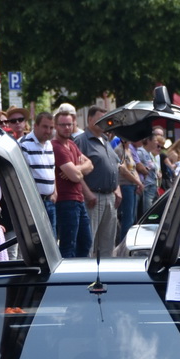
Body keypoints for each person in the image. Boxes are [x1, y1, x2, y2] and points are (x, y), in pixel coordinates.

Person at [75, 108, 122, 258]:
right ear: (89, 119)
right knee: (89, 242)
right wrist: (87, 193)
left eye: (105, 118)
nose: (103, 122)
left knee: (108, 243)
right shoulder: (81, 141)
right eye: (100, 118)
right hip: (93, 197)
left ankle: (107, 275)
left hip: (110, 197)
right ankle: (85, 276)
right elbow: (76, 172)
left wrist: (117, 188)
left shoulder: (106, 140)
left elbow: (114, 166)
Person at [51, 105, 92, 258]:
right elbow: (76, 177)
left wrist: (75, 168)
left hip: (78, 200)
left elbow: (90, 165)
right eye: (63, 125)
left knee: (86, 242)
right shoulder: (57, 147)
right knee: (68, 245)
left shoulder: (72, 145)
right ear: (56, 126)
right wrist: (78, 170)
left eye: (70, 124)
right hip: (65, 201)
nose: (67, 128)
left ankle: (80, 275)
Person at [20, 110, 57, 228]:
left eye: (51, 128)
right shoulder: (23, 144)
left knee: (51, 242)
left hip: (49, 201)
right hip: (33, 203)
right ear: (35, 126)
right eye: (45, 127)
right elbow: (20, 175)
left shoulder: (49, 144)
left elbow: (52, 169)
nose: (48, 131)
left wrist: (54, 191)